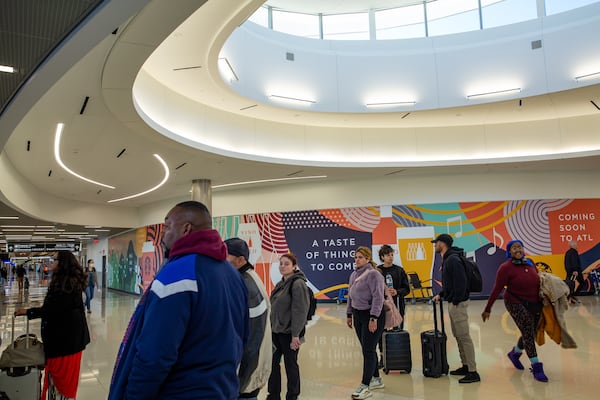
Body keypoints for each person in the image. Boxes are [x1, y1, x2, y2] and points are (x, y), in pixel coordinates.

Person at [108, 201, 249, 400]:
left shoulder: (176, 274)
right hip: (223, 389)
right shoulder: (233, 275)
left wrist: (134, 395)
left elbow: (154, 355)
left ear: (186, 228)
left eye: (167, 226)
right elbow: (242, 337)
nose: (163, 232)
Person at [14, 250, 90, 399]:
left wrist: (28, 312)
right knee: (63, 384)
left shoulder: (66, 285)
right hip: (69, 341)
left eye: (54, 260)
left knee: (63, 384)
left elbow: (51, 310)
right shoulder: (67, 281)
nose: (51, 262)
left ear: (62, 264)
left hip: (65, 344)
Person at [482, 239, 548, 382]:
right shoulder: (505, 268)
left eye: (520, 247)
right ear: (509, 252)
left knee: (531, 330)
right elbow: (496, 289)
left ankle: (515, 353)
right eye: (514, 248)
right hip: (514, 302)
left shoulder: (530, 263)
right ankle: (536, 366)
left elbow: (538, 281)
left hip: (534, 302)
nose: (518, 250)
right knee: (528, 331)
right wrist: (488, 308)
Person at [225, 237, 272, 400]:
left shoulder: (248, 288)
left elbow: (253, 341)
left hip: (247, 379)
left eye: (225, 257)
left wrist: (240, 382)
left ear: (240, 260)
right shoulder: (244, 279)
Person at [431, 234, 480, 383]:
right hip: (453, 302)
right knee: (458, 335)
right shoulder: (448, 259)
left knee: (464, 336)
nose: (435, 245)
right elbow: (450, 283)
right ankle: (465, 365)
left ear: (443, 243)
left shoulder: (453, 260)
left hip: (457, 304)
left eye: (436, 243)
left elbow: (461, 282)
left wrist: (456, 300)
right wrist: (441, 294)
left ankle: (473, 371)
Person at [267, 253, 310, 400]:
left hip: (290, 334)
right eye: (281, 263)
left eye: (286, 264)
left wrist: (295, 335)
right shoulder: (281, 284)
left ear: (294, 266)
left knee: (290, 365)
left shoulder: (298, 284)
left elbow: (300, 311)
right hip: (276, 332)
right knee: (272, 364)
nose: (282, 266)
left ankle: (292, 395)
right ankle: (273, 395)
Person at [346, 246, 386, 400]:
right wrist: (349, 314)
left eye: (360, 257)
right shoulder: (353, 274)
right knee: (366, 348)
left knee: (368, 350)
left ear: (368, 259)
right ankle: (376, 379)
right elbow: (351, 296)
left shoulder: (374, 274)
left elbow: (378, 298)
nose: (357, 260)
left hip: (372, 315)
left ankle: (365, 385)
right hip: (358, 314)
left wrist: (374, 318)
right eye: (355, 257)